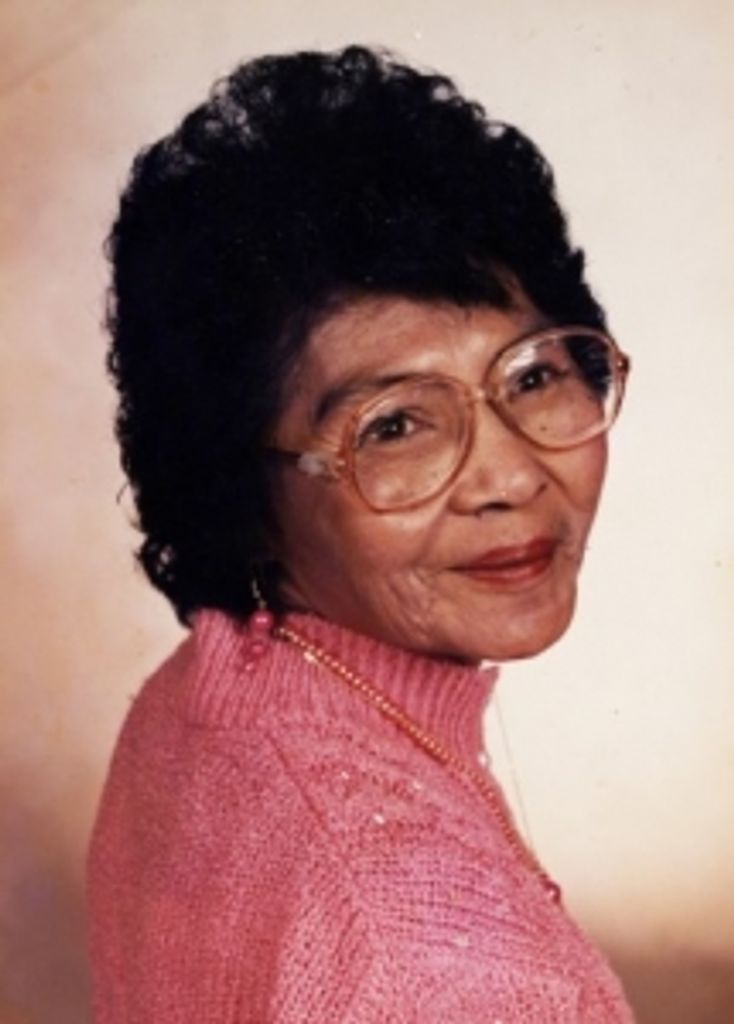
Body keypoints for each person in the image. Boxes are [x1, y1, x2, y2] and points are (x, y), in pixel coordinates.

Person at [88, 45, 633, 1022]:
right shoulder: (445, 975)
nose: (511, 476)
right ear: (240, 492)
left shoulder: (202, 699)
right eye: (394, 425)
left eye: (534, 375)